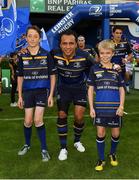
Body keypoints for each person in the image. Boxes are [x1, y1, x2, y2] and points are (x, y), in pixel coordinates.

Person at [51, 29, 95, 161]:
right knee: (62, 114)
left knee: (79, 116)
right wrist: (24, 52)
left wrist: (113, 66)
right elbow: (39, 57)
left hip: (79, 88)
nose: (68, 47)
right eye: (65, 43)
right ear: (60, 44)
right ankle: (63, 148)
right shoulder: (54, 54)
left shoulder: (85, 56)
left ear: (76, 44)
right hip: (63, 88)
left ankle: (77, 141)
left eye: (71, 43)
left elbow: (98, 67)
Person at [17, 25, 56, 162]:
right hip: (27, 91)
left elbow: (52, 75)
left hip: (41, 91)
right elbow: (20, 76)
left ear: (40, 38)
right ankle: (27, 144)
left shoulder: (46, 54)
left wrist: (51, 95)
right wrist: (20, 95)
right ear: (26, 38)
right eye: (30, 36)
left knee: (38, 120)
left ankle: (44, 149)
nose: (32, 39)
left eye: (35, 36)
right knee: (28, 121)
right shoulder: (22, 55)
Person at [88, 40, 125, 171]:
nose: (104, 55)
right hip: (100, 109)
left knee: (115, 134)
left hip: (115, 109)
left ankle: (112, 154)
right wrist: (91, 107)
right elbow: (91, 89)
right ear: (99, 54)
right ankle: (101, 159)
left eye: (107, 53)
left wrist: (121, 106)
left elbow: (121, 89)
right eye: (102, 53)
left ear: (113, 53)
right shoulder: (94, 69)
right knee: (101, 132)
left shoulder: (117, 69)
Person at [111, 26, 132, 92]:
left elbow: (130, 54)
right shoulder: (109, 43)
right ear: (113, 33)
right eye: (117, 33)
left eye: (120, 33)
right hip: (110, 68)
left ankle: (126, 86)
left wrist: (126, 59)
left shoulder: (125, 43)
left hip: (121, 68)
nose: (119, 35)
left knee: (120, 89)